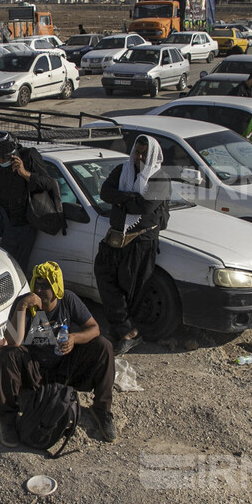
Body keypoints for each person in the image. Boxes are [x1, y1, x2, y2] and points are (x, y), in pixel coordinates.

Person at [0, 262, 117, 446]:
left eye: (45, 286)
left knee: (103, 346)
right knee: (9, 354)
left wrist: (74, 338)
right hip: (34, 369)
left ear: (56, 287)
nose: (39, 290)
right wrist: (22, 307)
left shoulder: (68, 300)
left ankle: (102, 410)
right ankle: (7, 418)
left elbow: (94, 328)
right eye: (37, 284)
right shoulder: (25, 304)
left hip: (64, 366)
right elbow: (14, 341)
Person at [94, 135, 168, 355]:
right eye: (137, 152)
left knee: (131, 287)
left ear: (153, 154)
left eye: (145, 153)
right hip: (116, 237)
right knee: (105, 276)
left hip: (141, 241)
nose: (140, 157)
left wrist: (120, 200)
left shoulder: (160, 178)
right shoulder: (123, 170)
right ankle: (126, 329)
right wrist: (129, 197)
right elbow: (105, 192)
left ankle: (126, 333)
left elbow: (143, 207)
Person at [0, 131, 56, 268]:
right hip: (1, 212)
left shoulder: (29, 156)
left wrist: (25, 173)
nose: (2, 161)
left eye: (5, 158)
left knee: (13, 265)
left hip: (22, 219)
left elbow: (48, 183)